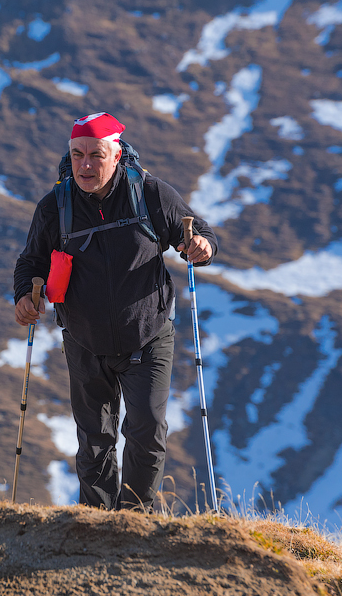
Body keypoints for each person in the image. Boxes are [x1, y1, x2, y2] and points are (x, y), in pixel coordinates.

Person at [13, 112, 217, 510]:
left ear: (117, 153)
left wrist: (203, 247)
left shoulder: (151, 194)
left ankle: (135, 521)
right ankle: (95, 525)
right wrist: (24, 295)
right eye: (77, 155)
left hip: (148, 335)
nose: (85, 165)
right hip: (85, 342)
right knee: (94, 440)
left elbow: (199, 234)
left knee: (147, 429)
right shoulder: (56, 207)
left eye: (95, 154)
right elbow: (30, 263)